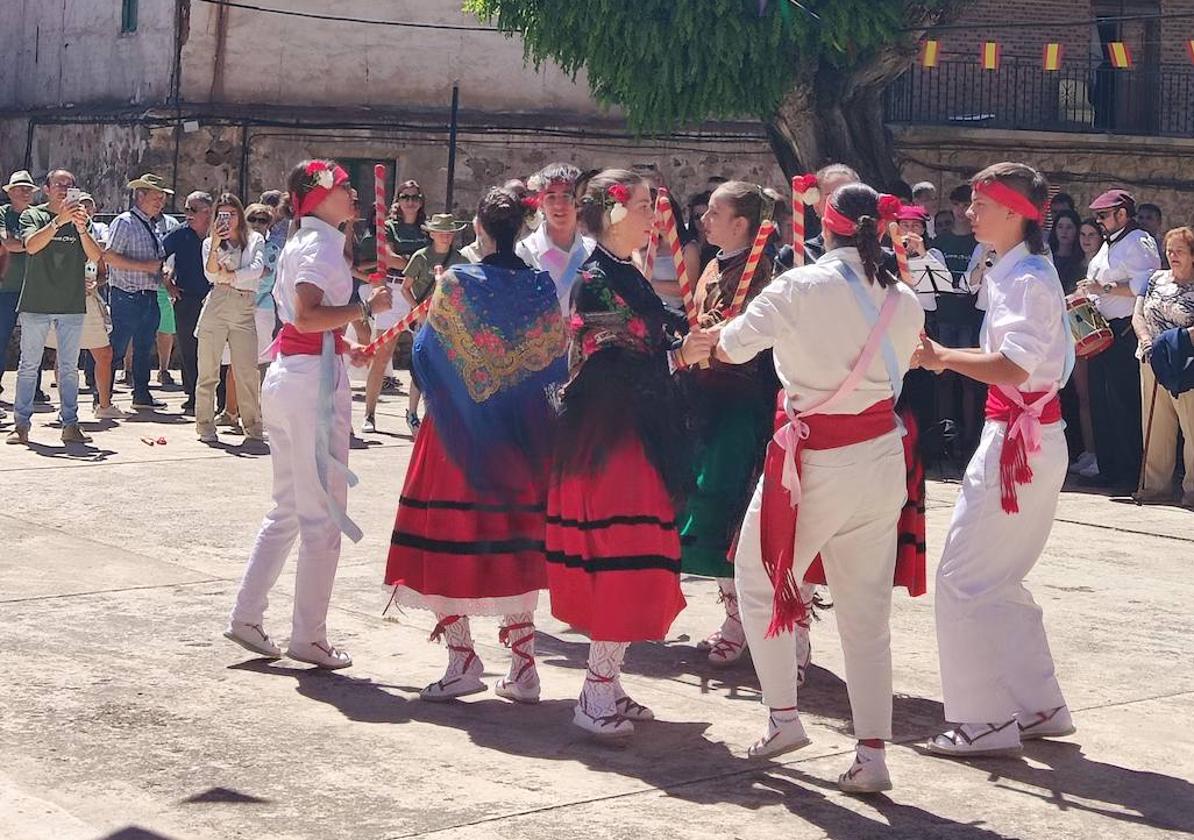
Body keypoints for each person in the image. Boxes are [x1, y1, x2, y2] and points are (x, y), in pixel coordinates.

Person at [713, 183, 922, 792]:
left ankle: (783, 716)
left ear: (825, 228)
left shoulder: (798, 286)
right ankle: (873, 753)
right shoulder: (905, 299)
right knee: (866, 613)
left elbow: (730, 346)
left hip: (817, 459)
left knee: (758, 578)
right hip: (882, 457)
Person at [546, 169, 715, 738]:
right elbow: (610, 365)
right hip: (611, 440)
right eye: (644, 206)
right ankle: (594, 692)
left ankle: (609, 682)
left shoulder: (624, 272)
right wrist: (677, 358)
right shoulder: (596, 279)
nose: (654, 217)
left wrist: (688, 337)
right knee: (623, 554)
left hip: (632, 434)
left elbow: (655, 329)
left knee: (637, 551)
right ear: (614, 213)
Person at [916, 162, 1077, 760]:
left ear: (1014, 211)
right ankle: (1038, 705)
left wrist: (940, 357)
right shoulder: (1022, 270)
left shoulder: (1025, 279)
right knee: (997, 579)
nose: (969, 211)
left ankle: (981, 720)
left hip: (1018, 441)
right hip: (1031, 436)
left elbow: (1012, 366)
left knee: (961, 578)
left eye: (981, 202)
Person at [384, 184, 567, 702]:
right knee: (515, 541)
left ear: (479, 231)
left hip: (459, 433)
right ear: (523, 229)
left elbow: (424, 353)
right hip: (519, 433)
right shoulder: (539, 286)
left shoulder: (457, 283)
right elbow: (556, 359)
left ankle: (462, 658)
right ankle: (524, 665)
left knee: (448, 536)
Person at [225, 159, 392, 669]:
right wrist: (363, 309)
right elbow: (306, 314)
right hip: (308, 386)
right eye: (345, 187)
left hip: (294, 375)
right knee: (320, 519)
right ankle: (308, 636)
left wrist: (344, 343)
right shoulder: (320, 243)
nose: (355, 194)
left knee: (290, 509)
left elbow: (309, 324)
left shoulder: (303, 238)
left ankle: (247, 616)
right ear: (318, 195)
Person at [676, 182, 781, 668]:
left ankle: (750, 621)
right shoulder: (714, 264)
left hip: (742, 402)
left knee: (729, 505)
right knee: (701, 500)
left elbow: (747, 336)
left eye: (714, 213)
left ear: (741, 223)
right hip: (704, 399)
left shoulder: (764, 269)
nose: (704, 220)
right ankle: (732, 612)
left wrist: (714, 336)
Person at [6, 170, 104, 445]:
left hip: (71, 303)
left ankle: (70, 424)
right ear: (46, 189)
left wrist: (82, 228)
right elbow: (32, 246)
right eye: (59, 184)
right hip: (37, 302)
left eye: (69, 185)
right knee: (29, 365)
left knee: (69, 367)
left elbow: (96, 256)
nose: (64, 189)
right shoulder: (32, 216)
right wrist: (59, 222)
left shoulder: (81, 220)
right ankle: (21, 424)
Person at [1080, 189, 1161, 487]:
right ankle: (1110, 469)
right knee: (1102, 402)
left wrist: (1103, 288)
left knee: (1123, 403)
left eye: (1103, 215)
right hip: (1103, 330)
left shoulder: (1139, 241)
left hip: (1126, 330)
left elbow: (1145, 286)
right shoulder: (1110, 245)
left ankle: (1128, 474)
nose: (1099, 221)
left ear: (1122, 214)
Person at [44, 192, 125, 420]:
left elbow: (101, 273)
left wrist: (93, 283)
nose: (84, 213)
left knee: (105, 353)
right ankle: (65, 408)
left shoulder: (91, 234)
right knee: (64, 355)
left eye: (86, 209)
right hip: (63, 300)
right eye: (79, 208)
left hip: (89, 301)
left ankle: (104, 405)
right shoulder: (56, 231)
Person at [1133, 227, 1194, 506]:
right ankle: (1155, 487)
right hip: (1151, 359)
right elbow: (1138, 314)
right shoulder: (1155, 279)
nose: (1172, 256)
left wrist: (1173, 342)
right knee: (1155, 425)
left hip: (1186, 362)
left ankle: (1191, 490)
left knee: (1191, 427)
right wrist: (1147, 341)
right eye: (1169, 250)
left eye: (1179, 251)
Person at [196, 194, 265, 443]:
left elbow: (257, 269)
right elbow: (211, 274)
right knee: (208, 369)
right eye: (222, 215)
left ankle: (252, 425)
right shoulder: (209, 243)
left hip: (244, 305)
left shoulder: (255, 239)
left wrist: (232, 276)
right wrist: (215, 243)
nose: (228, 219)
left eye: (232, 214)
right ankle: (205, 424)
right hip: (218, 303)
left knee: (247, 370)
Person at [104, 173, 173, 411]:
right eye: (157, 197)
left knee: (144, 347)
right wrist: (145, 266)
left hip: (149, 295)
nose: (161, 202)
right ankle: (103, 396)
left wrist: (163, 275)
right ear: (140, 195)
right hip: (127, 295)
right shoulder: (125, 222)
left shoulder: (153, 225)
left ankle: (141, 394)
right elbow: (110, 257)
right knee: (117, 347)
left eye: (162, 198)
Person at [400, 212, 468, 435]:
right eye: (441, 232)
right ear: (432, 233)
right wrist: (416, 311)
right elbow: (405, 287)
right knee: (420, 366)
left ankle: (437, 415)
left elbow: (466, 289)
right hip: (425, 319)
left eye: (449, 233)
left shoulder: (460, 260)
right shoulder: (421, 257)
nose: (446, 237)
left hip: (449, 322)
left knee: (445, 367)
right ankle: (412, 413)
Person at [1048, 210, 1099, 473]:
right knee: (1075, 397)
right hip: (1066, 335)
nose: (1082, 239)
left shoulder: (1094, 264)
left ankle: (1095, 452)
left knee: (1090, 397)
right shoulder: (1054, 262)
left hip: (1091, 335)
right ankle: (1085, 451)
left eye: (1091, 234)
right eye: (1083, 235)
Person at [516, 162, 594, 315]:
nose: (559, 205)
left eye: (566, 196)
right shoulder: (525, 252)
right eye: (551, 197)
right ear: (541, 203)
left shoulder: (592, 252)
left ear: (579, 202)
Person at [163, 192, 213, 413]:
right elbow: (157, 256)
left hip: (215, 298)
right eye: (186, 209)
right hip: (187, 298)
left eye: (193, 210)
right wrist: (168, 283)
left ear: (207, 212)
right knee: (188, 347)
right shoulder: (179, 234)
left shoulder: (220, 233)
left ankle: (218, 399)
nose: (187, 214)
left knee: (214, 349)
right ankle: (193, 396)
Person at [1, 170, 46, 405]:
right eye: (20, 188)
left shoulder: (37, 215)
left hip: (33, 286)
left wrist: (24, 244)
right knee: (1, 338)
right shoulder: (2, 214)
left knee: (34, 340)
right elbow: (5, 243)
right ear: (10, 193)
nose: (25, 192)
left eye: (29, 189)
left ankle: (34, 390)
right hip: (5, 287)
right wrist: (30, 244)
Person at [244, 203, 282, 371]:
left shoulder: (272, 248)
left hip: (262, 305)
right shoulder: (238, 246)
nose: (257, 224)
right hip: (239, 303)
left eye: (262, 220)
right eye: (252, 219)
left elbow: (265, 272)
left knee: (263, 353)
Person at [1048, 209, 1086, 295]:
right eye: (1060, 227)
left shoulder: (1081, 261)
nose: (1064, 232)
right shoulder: (1047, 258)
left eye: (1069, 227)